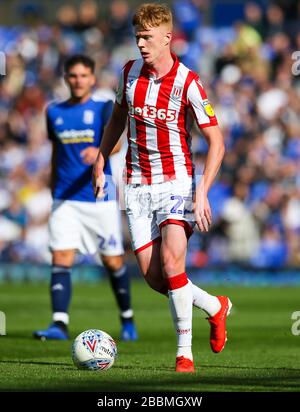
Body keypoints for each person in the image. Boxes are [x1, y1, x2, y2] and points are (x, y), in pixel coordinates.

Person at [93, 3, 232, 372]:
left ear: (167, 37)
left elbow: (216, 142)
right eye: (137, 36)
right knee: (158, 279)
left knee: (173, 261)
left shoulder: (188, 81)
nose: (141, 43)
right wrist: (101, 159)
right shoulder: (128, 73)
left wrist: (201, 190)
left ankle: (184, 353)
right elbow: (117, 119)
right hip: (137, 186)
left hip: (178, 182)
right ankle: (216, 306)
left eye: (148, 37)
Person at [33, 54, 137, 341]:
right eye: (73, 76)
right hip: (65, 198)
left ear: (92, 78)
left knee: (113, 261)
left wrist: (99, 153)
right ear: (66, 78)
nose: (78, 80)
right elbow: (56, 153)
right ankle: (59, 324)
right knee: (61, 256)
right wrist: (53, 186)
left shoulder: (103, 108)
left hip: (99, 197)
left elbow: (117, 142)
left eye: (83, 76)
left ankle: (127, 320)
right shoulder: (53, 112)